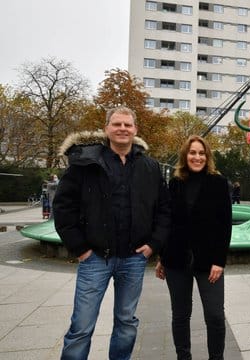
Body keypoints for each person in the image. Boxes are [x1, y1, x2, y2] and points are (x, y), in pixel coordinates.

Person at [53, 106, 171, 359]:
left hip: (133, 258)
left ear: (135, 130)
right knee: (81, 327)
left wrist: (153, 245)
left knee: (127, 323)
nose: (122, 129)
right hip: (94, 258)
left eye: (127, 125)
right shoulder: (85, 162)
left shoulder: (149, 166)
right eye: (117, 124)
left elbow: (163, 209)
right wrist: (80, 249)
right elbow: (63, 207)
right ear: (106, 129)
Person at [155, 135, 232, 359]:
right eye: (192, 153)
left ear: (207, 157)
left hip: (209, 262)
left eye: (201, 153)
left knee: (215, 315)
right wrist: (162, 257)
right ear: (185, 156)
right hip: (176, 260)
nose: (196, 157)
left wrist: (220, 260)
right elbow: (168, 222)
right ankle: (183, 356)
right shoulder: (175, 182)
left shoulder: (218, 182)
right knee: (180, 315)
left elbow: (225, 225)